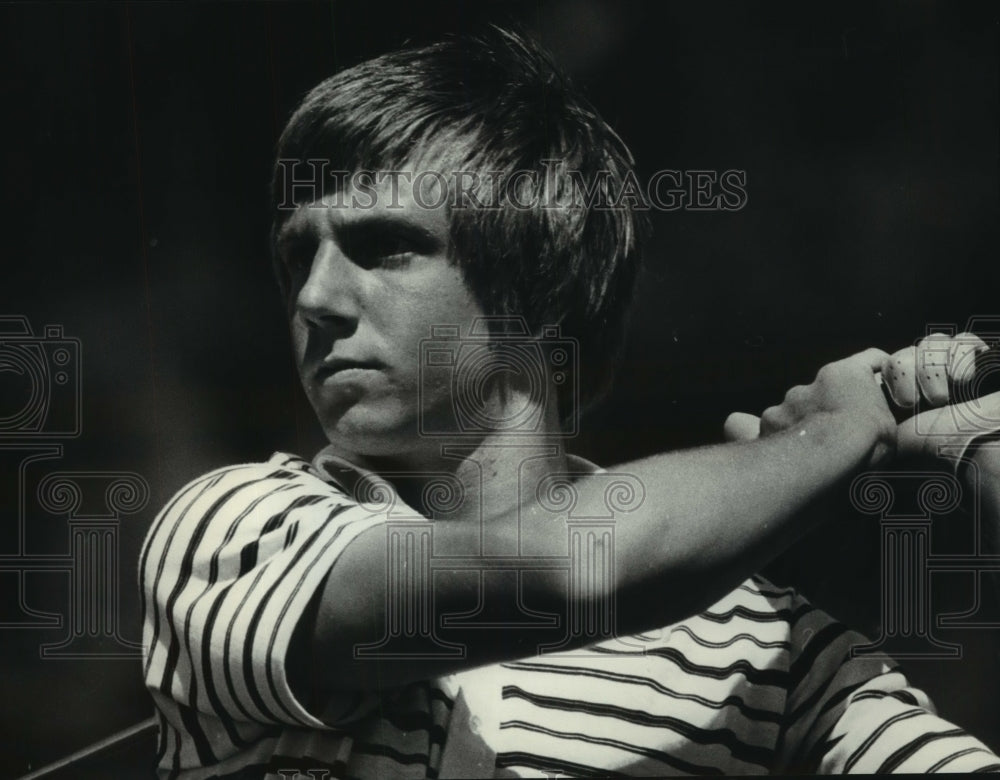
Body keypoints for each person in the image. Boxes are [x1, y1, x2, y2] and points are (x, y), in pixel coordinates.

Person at [140, 28, 1000, 778]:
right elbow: (562, 571)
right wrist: (834, 433)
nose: (316, 296)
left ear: (533, 291)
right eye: (299, 256)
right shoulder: (231, 530)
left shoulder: (763, 646)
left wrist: (982, 444)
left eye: (384, 247)